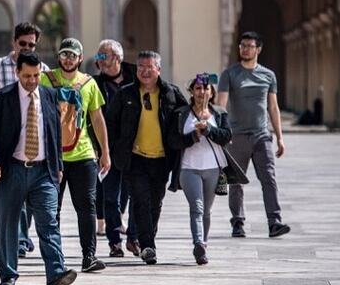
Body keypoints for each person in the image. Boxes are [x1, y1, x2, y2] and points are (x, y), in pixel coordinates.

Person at [0, 52, 76, 285]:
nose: (32, 80)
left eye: (36, 75)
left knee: (49, 222)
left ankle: (55, 273)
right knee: (8, 224)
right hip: (12, 169)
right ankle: (8, 274)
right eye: (27, 76)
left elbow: (53, 133)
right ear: (17, 73)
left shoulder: (49, 95)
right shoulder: (3, 97)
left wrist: (59, 166)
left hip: (43, 171)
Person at [107, 50, 186, 265]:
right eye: (141, 67)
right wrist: (113, 149)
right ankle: (148, 245)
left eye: (150, 67)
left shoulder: (171, 93)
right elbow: (110, 123)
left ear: (158, 69)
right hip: (135, 158)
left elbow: (186, 117)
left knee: (156, 202)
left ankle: (148, 238)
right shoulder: (125, 94)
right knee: (140, 201)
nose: (145, 71)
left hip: (162, 158)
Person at [0, 22, 49, 258]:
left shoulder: (43, 69)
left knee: (30, 200)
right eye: (23, 44)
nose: (27, 48)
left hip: (33, 146)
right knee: (14, 200)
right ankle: (18, 240)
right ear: (14, 42)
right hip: (6, 147)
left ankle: (22, 235)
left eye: (32, 44)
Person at [42, 38, 111, 273]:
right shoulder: (45, 79)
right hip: (53, 156)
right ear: (58, 57)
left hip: (83, 155)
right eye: (64, 54)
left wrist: (105, 152)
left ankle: (88, 256)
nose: (68, 59)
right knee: (53, 209)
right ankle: (55, 258)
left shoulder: (89, 83)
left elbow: (97, 118)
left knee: (87, 207)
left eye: (73, 55)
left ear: (80, 59)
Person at [217, 31, 291, 239]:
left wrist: (280, 137)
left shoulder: (268, 75)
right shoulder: (229, 74)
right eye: (242, 46)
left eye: (249, 46)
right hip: (236, 136)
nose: (245, 49)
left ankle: (274, 222)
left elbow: (273, 107)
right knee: (236, 181)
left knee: (269, 177)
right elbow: (221, 105)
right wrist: (221, 132)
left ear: (258, 49)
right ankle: (238, 223)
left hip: (261, 135)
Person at [169, 74, 244, 265]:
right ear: (192, 92)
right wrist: (193, 135)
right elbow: (173, 141)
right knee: (197, 207)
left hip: (213, 168)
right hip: (188, 168)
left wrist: (209, 130)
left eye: (205, 89)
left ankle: (204, 245)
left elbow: (227, 136)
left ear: (211, 93)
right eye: (198, 89)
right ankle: (198, 243)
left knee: (207, 211)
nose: (202, 92)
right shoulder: (181, 113)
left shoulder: (219, 113)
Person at [93, 39, 138, 257]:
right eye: (98, 56)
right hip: (107, 149)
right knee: (109, 196)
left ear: (118, 58)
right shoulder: (96, 84)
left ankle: (134, 237)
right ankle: (114, 242)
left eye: (104, 56)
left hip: (135, 148)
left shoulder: (137, 78)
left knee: (134, 194)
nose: (100, 61)